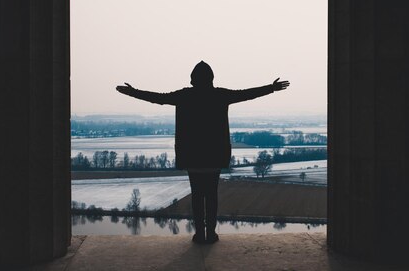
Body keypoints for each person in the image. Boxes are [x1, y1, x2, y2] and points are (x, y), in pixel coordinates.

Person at [116, 61, 290, 244]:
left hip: (192, 155)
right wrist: (271, 88)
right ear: (211, 78)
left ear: (193, 79)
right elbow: (247, 94)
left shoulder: (184, 96)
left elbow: (157, 98)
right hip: (214, 155)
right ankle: (211, 234)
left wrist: (132, 92)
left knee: (197, 196)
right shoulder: (220, 95)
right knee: (211, 196)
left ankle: (199, 233)